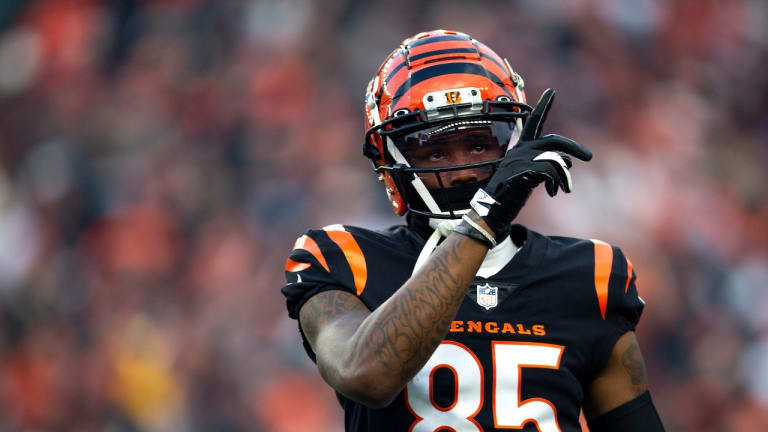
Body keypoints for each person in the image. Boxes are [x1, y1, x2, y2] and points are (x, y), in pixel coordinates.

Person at [281, 29, 665, 432]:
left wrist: (483, 222)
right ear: (389, 161)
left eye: (479, 145)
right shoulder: (345, 258)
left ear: (514, 142)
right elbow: (365, 375)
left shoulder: (590, 273)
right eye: (435, 152)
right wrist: (483, 222)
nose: (462, 170)